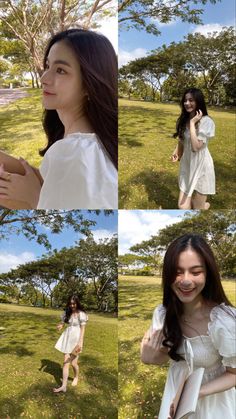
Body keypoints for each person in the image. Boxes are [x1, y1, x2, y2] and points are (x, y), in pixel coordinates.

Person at [0, 28, 117, 209]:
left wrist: (34, 198)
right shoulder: (81, 144)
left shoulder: (74, 152)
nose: (44, 78)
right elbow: (50, 178)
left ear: (89, 84)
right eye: (48, 66)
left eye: (61, 70)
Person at [141, 233, 236, 419]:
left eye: (195, 272)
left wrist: (194, 394)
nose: (185, 280)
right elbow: (163, 357)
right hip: (175, 392)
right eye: (177, 272)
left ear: (208, 273)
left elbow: (234, 374)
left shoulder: (224, 321)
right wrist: (148, 356)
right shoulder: (162, 314)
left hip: (213, 399)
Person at [172, 88, 215, 210]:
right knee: (183, 207)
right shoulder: (183, 120)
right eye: (185, 100)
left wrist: (192, 124)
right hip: (187, 163)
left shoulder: (207, 122)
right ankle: (201, 204)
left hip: (202, 166)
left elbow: (196, 147)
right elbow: (182, 140)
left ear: (198, 102)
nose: (187, 103)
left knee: (197, 208)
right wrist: (177, 153)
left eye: (191, 100)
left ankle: (204, 205)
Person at [53, 295, 88, 393]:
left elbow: (83, 329)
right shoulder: (67, 312)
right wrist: (61, 325)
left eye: (74, 303)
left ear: (77, 303)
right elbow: (64, 322)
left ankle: (76, 377)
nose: (72, 305)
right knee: (65, 362)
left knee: (73, 363)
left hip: (76, 340)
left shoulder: (81, 314)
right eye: (70, 303)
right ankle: (64, 386)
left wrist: (80, 342)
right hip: (67, 338)